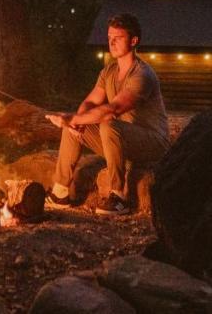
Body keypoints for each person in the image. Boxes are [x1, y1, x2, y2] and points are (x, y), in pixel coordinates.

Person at [46, 12, 170, 215]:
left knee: (107, 123)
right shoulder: (108, 72)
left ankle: (119, 197)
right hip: (120, 140)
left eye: (118, 38)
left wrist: (73, 118)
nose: (111, 42)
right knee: (74, 124)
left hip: (152, 143)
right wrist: (75, 121)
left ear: (134, 40)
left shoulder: (142, 75)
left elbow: (114, 109)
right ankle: (60, 193)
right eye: (110, 37)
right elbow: (90, 102)